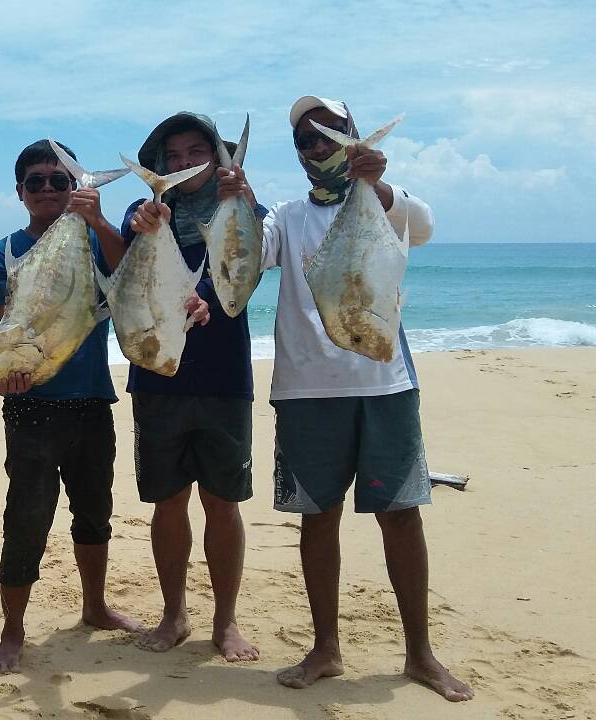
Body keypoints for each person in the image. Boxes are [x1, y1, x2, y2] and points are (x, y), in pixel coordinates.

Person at [224, 95, 472, 701]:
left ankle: (420, 654)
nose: (318, 148)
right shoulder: (284, 217)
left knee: (401, 515)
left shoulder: (388, 202)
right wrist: (239, 195)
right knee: (318, 517)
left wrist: (379, 187)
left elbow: (426, 227)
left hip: (384, 383)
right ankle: (325, 647)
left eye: (330, 134)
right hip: (306, 391)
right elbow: (247, 256)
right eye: (306, 142)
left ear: (353, 137)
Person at [0, 139, 140, 674]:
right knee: (26, 517)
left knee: (94, 512)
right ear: (20, 191)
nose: (48, 188)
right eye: (37, 181)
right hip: (32, 409)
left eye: (59, 180)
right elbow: (13, 324)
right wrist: (11, 371)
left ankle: (95, 607)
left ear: (74, 187)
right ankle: (12, 628)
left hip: (93, 400)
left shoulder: (96, 242)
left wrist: (96, 221)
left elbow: (129, 274)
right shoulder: (3, 251)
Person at [122, 112, 265, 661]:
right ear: (160, 166)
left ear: (217, 156)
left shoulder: (249, 210)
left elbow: (252, 261)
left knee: (223, 503)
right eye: (173, 155)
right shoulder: (148, 214)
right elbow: (131, 275)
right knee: (168, 502)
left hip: (223, 377)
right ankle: (174, 612)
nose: (182, 163)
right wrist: (138, 224)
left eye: (193, 151)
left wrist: (245, 199)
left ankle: (225, 622)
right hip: (159, 375)